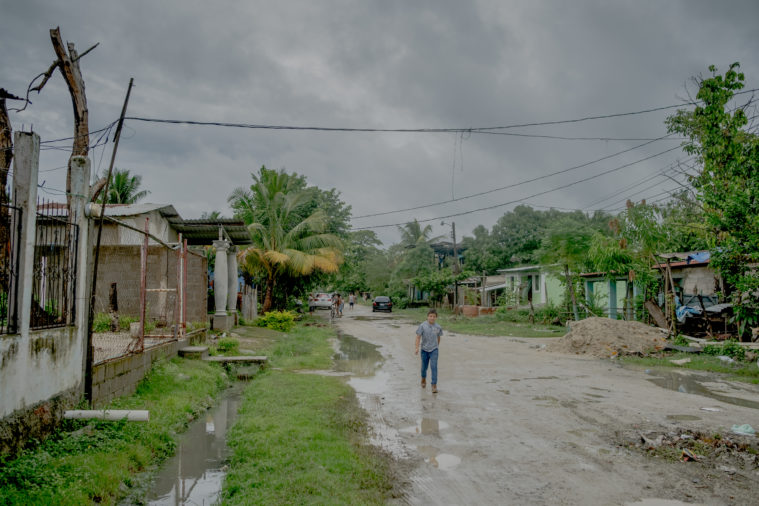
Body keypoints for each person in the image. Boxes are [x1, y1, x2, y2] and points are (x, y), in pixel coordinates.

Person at [414, 308, 443, 393]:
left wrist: (436, 346)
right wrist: (416, 348)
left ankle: (434, 385)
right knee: (424, 367)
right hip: (424, 350)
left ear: (436, 317)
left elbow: (438, 337)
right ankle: (423, 379)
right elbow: (418, 337)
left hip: (434, 350)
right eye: (430, 316)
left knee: (434, 367)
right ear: (427, 317)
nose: (432, 318)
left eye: (434, 316)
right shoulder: (422, 326)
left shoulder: (438, 327)